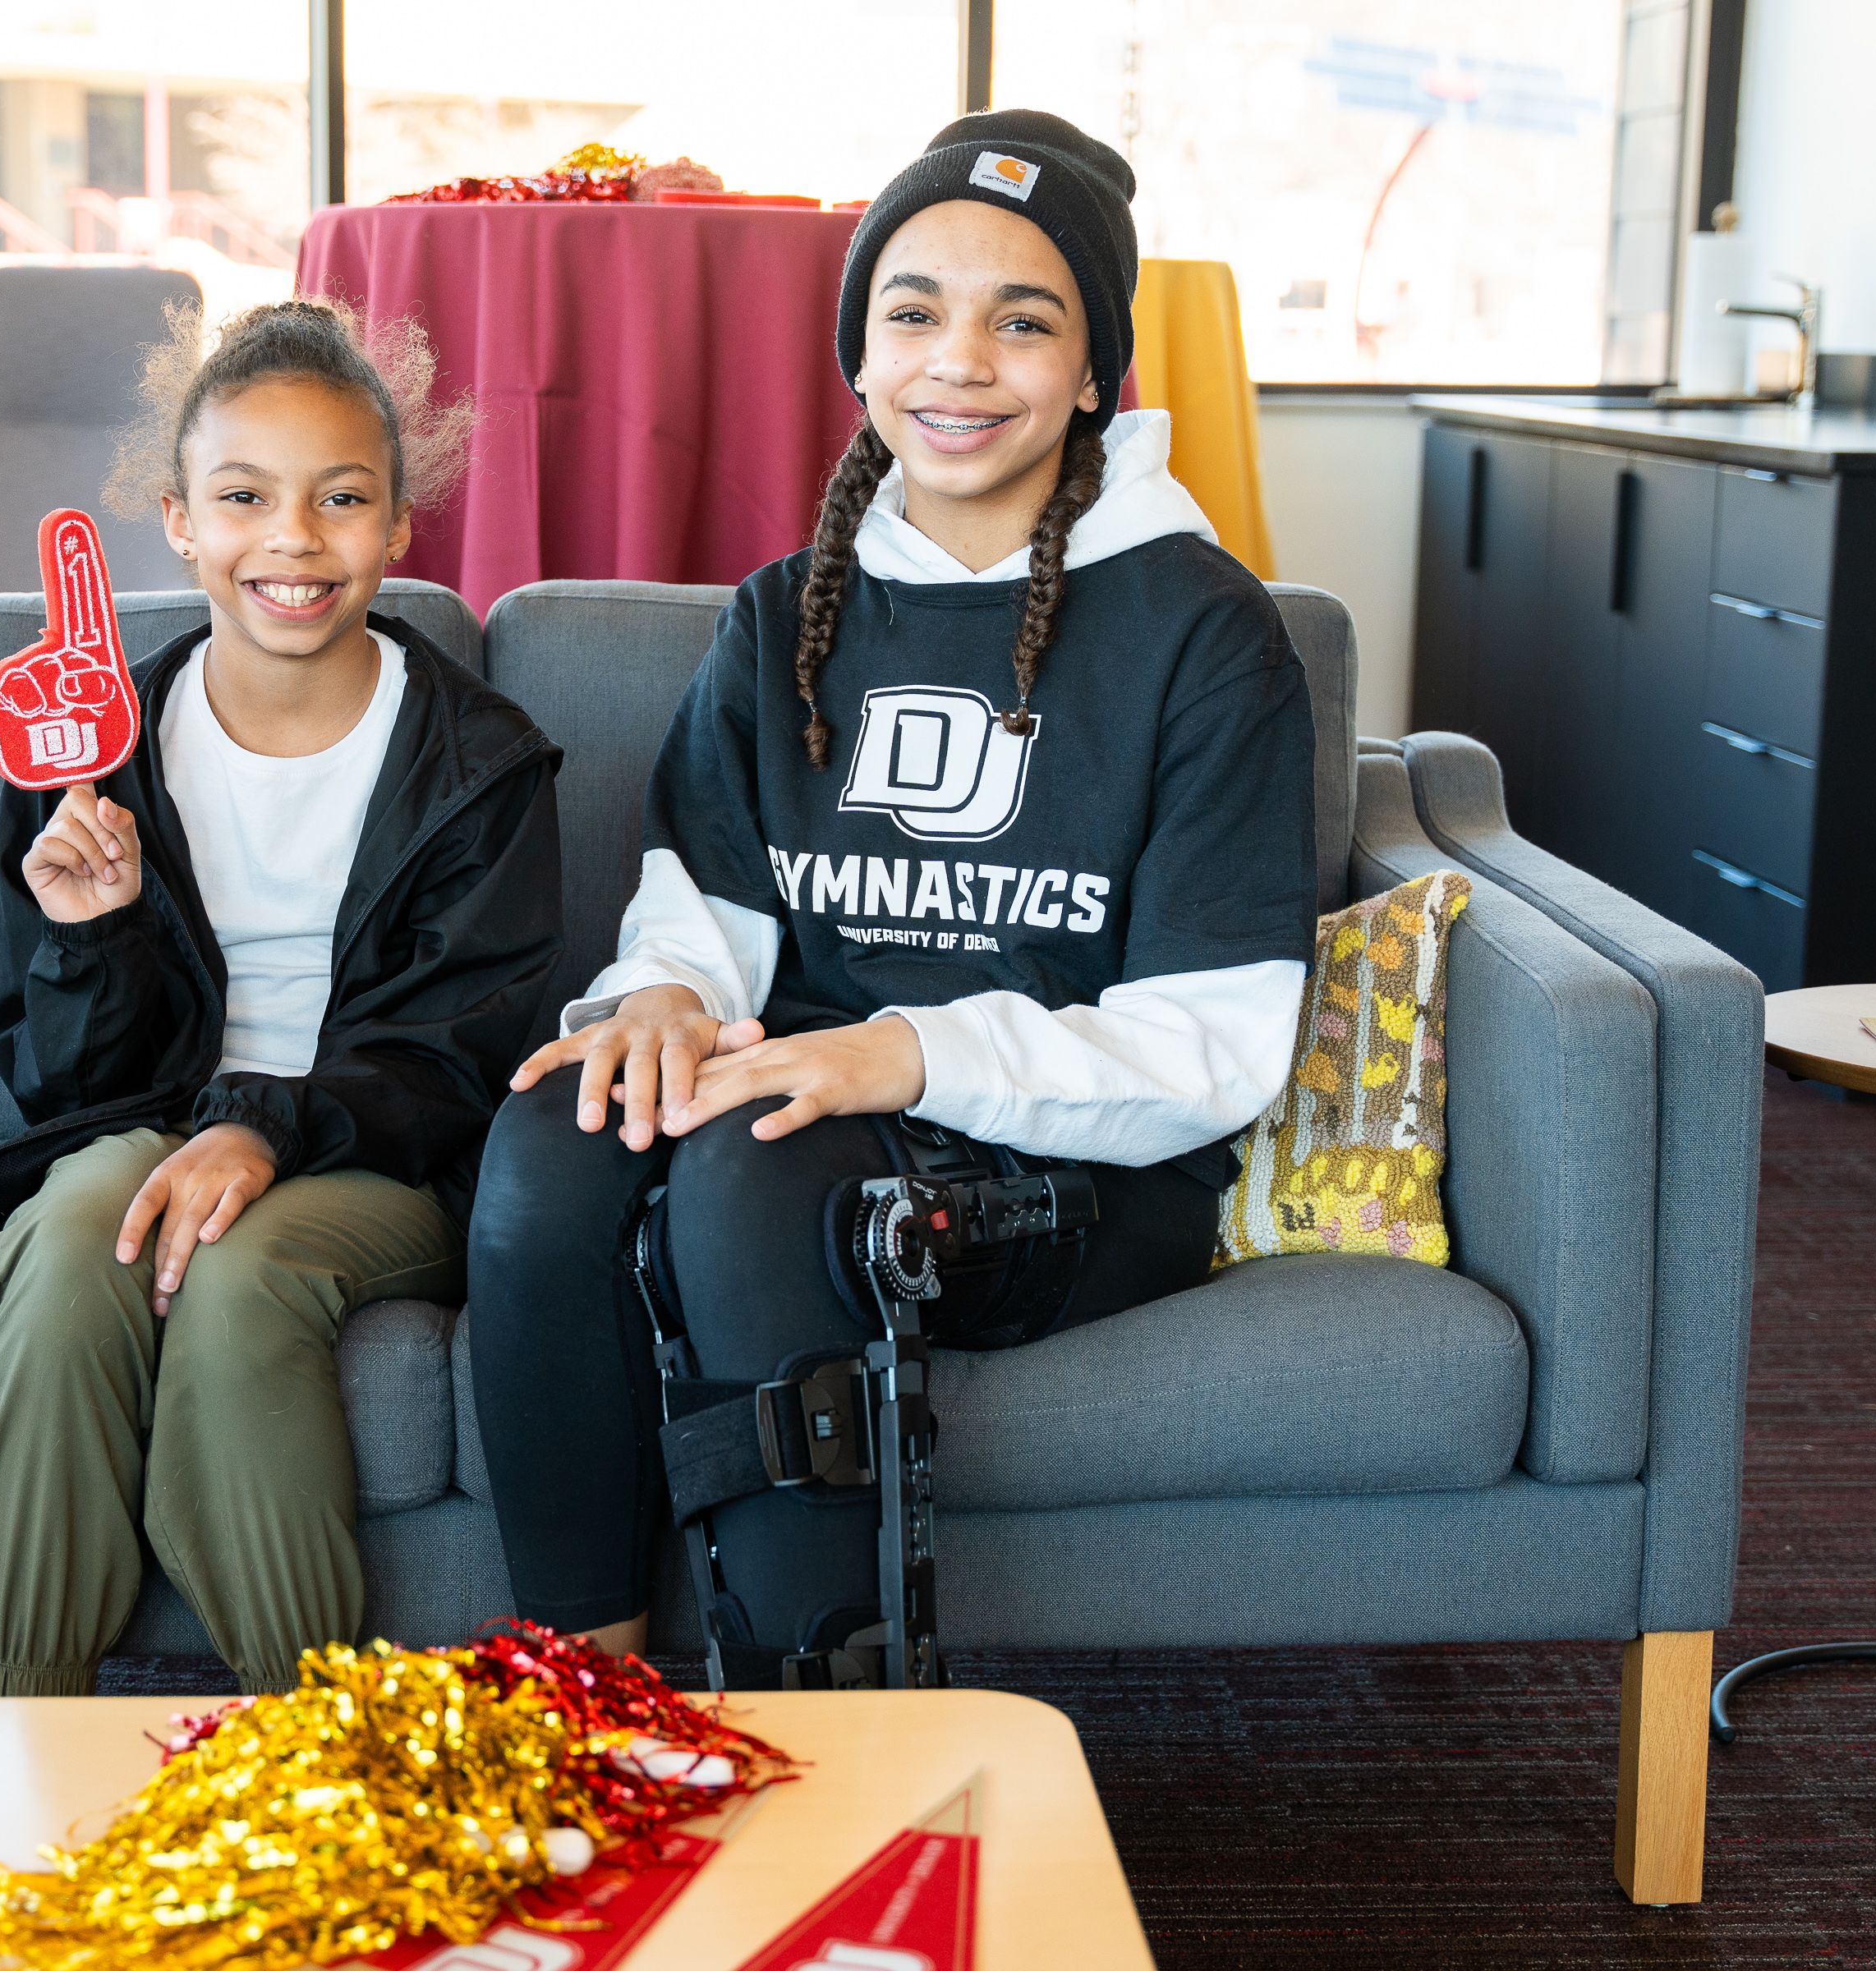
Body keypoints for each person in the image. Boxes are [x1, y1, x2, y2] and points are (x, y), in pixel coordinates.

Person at [466, 110, 1318, 1677]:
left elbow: (1216, 1041)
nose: (961, 361)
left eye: (1024, 319)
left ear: (1091, 369)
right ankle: (582, 1705)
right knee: (557, 1133)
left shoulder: (1206, 633)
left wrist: (912, 1054)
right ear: (860, 354)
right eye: (915, 312)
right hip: (817, 1094)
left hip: (1084, 1163)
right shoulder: (789, 611)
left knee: (758, 1176)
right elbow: (702, 905)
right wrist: (660, 999)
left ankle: (828, 1729)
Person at [0, 299, 561, 1696]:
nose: (293, 538)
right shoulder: (90, 746)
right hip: (152, 1122)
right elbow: (62, 1088)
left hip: (375, 1152)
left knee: (234, 1276)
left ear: (398, 527)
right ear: (179, 519)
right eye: (244, 498)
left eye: (341, 499)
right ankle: (29, 1712)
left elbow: (455, 1056)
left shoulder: (483, 762)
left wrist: (268, 1128)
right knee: (71, 1247)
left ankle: (313, 1730)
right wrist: (90, 936)